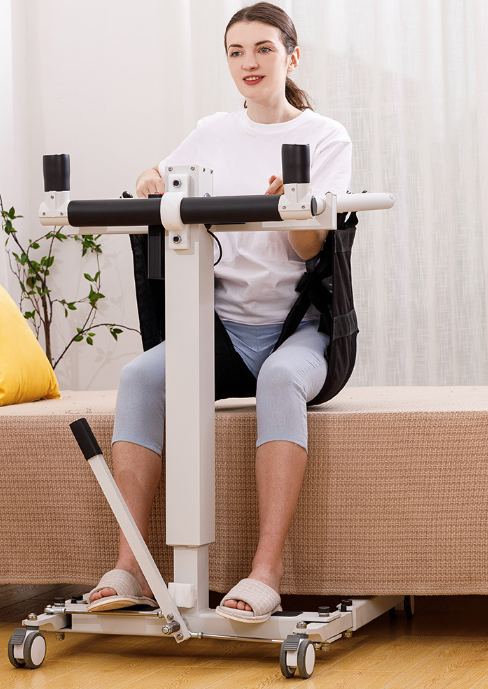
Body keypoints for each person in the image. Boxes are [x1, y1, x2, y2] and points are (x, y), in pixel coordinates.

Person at [87, 1, 352, 623]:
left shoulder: (325, 136)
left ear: (291, 57)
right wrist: (151, 180)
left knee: (279, 378)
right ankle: (131, 566)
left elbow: (312, 248)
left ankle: (267, 571)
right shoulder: (212, 132)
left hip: (300, 332)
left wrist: (289, 208)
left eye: (263, 49)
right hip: (225, 332)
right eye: (236, 52)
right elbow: (156, 174)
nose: (248, 63)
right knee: (139, 376)